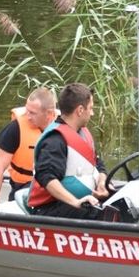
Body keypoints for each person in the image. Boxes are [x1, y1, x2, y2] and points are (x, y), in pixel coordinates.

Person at [26, 83, 109, 218]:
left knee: (119, 199)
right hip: (49, 208)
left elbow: (98, 164)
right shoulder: (55, 140)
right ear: (80, 110)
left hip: (83, 199)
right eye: (91, 108)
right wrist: (76, 202)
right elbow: (46, 177)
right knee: (96, 213)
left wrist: (102, 183)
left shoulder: (82, 132)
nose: (92, 113)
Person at [0, 87, 57, 203]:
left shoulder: (63, 127)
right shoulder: (15, 129)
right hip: (22, 190)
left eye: (33, 113)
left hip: (55, 190)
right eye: (27, 110)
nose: (28, 116)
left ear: (49, 113)